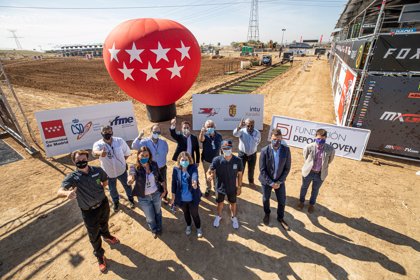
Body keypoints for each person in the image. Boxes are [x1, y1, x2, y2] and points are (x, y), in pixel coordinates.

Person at [58, 150, 119, 273]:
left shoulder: (97, 170)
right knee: (94, 235)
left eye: (83, 159)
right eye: (78, 160)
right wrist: (67, 193)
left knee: (104, 222)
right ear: (74, 162)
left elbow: (105, 181)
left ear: (87, 159)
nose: (81, 162)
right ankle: (100, 256)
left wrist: (101, 190)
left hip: (103, 204)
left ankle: (106, 235)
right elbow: (59, 191)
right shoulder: (72, 177)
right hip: (88, 211)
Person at [92, 125, 134, 212]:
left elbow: (127, 153)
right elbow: (94, 152)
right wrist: (100, 153)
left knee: (127, 185)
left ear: (112, 132)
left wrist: (121, 163)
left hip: (121, 171)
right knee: (112, 189)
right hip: (108, 173)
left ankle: (131, 199)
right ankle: (116, 202)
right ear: (101, 133)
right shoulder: (98, 144)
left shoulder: (119, 141)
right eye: (105, 132)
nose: (107, 133)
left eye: (109, 131)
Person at [128, 146, 167, 238]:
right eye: (142, 155)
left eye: (147, 155)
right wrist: (130, 179)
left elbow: (161, 178)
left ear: (149, 156)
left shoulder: (154, 164)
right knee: (149, 216)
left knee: (158, 212)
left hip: (156, 194)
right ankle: (153, 229)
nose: (144, 157)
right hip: (143, 197)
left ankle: (159, 227)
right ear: (138, 156)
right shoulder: (134, 167)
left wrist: (164, 190)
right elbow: (131, 175)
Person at [258, 129, 291, 230]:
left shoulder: (286, 150)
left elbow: (287, 168)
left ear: (281, 139)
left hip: (279, 181)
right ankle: (267, 213)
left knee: (282, 201)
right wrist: (271, 183)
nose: (276, 142)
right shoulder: (264, 151)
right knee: (265, 199)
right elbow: (262, 170)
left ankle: (280, 218)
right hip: (266, 181)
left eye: (279, 140)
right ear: (270, 139)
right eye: (274, 139)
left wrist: (279, 182)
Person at [207, 140, 243, 229]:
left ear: (232, 148)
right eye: (225, 148)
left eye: (229, 148)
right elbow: (209, 170)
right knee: (220, 204)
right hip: (220, 187)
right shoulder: (217, 160)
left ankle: (234, 217)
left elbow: (240, 174)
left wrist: (239, 187)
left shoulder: (238, 160)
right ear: (221, 149)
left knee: (233, 203)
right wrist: (209, 175)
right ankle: (218, 216)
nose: (227, 150)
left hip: (232, 188)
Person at [298, 129, 335, 213]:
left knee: (315, 190)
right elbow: (306, 157)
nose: (320, 140)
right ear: (315, 137)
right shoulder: (309, 147)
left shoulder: (330, 149)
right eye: (318, 138)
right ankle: (301, 202)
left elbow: (330, 160)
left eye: (322, 139)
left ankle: (311, 204)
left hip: (320, 174)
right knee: (304, 187)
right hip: (308, 172)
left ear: (325, 138)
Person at [132, 124, 169, 203]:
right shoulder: (145, 141)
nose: (156, 133)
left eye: (158, 132)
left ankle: (165, 196)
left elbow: (166, 151)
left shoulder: (163, 142)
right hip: (152, 167)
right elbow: (134, 146)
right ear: (151, 131)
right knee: (153, 181)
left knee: (163, 181)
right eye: (155, 131)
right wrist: (139, 137)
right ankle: (155, 196)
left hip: (162, 167)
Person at [171, 152, 203, 238]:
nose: (184, 161)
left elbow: (194, 175)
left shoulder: (193, 167)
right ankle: (188, 225)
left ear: (189, 160)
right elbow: (173, 183)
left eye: (186, 160)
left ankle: (198, 228)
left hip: (192, 198)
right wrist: (173, 194)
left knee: (195, 214)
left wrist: (195, 182)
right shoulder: (176, 169)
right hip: (182, 199)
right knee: (186, 213)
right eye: (182, 160)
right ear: (179, 161)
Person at [233, 118, 261, 187]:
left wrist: (251, 149)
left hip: (253, 154)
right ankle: (239, 181)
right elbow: (235, 134)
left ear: (254, 125)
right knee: (240, 169)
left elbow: (258, 142)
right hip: (242, 154)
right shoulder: (242, 131)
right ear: (245, 125)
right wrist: (239, 127)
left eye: (252, 126)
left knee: (251, 169)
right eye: (248, 125)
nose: (250, 127)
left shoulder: (257, 133)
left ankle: (251, 182)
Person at [198, 120, 223, 197]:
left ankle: (216, 189)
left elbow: (221, 147)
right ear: (205, 128)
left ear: (214, 127)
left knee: (216, 176)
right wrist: (202, 132)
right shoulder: (205, 135)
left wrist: (222, 156)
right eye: (208, 127)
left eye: (211, 126)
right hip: (206, 161)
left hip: (216, 161)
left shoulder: (219, 136)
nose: (210, 128)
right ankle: (208, 188)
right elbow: (201, 139)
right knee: (207, 176)